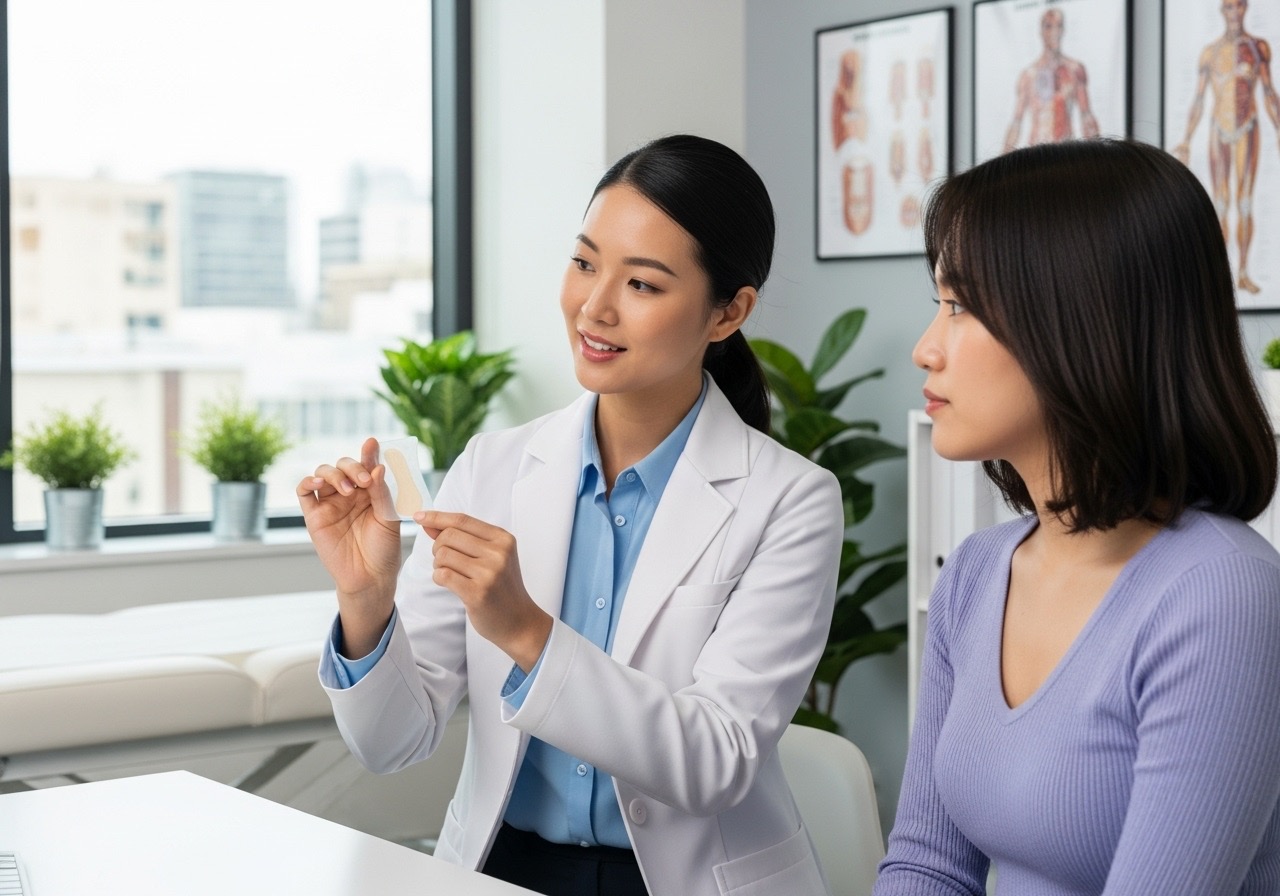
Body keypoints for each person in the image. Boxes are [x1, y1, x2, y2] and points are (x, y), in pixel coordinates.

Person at [298, 134, 844, 896]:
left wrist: (523, 628)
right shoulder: (491, 468)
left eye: (644, 285)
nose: (595, 305)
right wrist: (365, 597)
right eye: (585, 262)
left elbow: (714, 761)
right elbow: (392, 742)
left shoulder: (791, 499)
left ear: (729, 312)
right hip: (504, 868)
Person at [875, 138, 1280, 894]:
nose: (927, 349)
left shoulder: (1223, 596)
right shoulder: (973, 573)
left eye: (959, 306)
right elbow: (927, 865)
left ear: (1079, 321)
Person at [1172, 0, 1279, 294]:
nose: (1235, 13)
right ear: (1223, 12)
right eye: (1229, 7)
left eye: (1239, 7)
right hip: (1219, 128)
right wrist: (1186, 139)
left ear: (1245, 10)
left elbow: (1269, 92)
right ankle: (1222, 277)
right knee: (1219, 203)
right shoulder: (1211, 52)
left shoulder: (1258, 49)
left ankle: (1243, 271)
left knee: (1244, 202)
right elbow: (1198, 98)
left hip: (1247, 126)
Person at [1003, 8, 1100, 153]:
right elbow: (1016, 122)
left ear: (1063, 30)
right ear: (1041, 31)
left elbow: (1086, 116)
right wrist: (1001, 167)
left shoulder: (1075, 70)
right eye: (1048, 26)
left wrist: (1099, 159)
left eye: (1058, 25)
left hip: (1066, 154)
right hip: (1035, 157)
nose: (1054, 32)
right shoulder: (1029, 75)